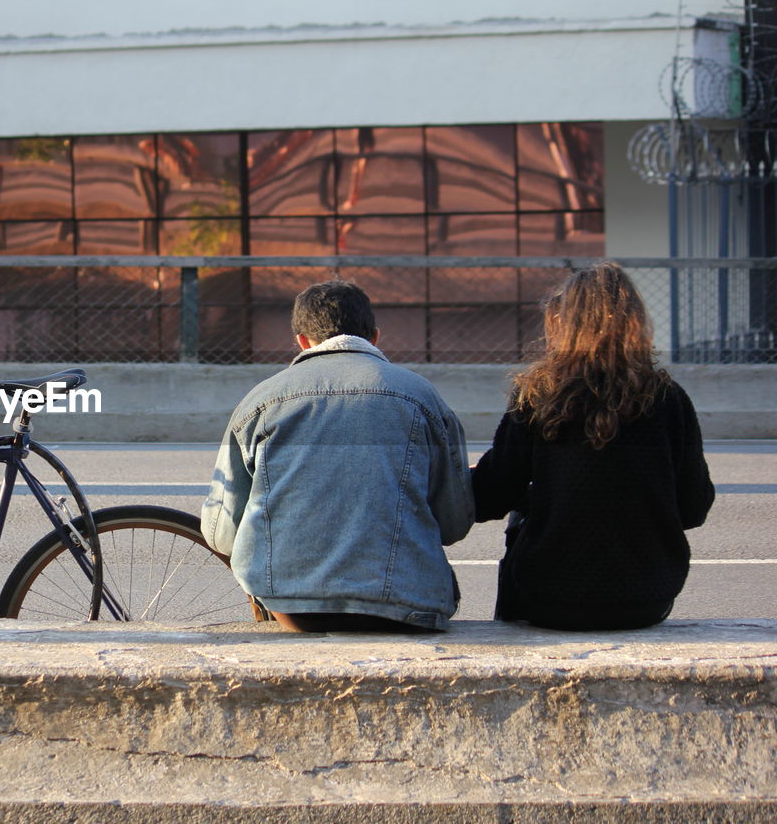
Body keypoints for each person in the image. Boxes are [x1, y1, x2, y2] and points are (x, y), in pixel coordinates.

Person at [201, 280, 475, 633]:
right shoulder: (422, 397)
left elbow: (221, 533)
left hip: (290, 606)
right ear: (374, 336)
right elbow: (455, 523)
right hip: (406, 603)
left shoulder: (260, 400)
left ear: (301, 341)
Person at [471, 262, 715, 631]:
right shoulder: (668, 399)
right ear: (636, 322)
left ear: (561, 323)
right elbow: (693, 508)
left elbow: (492, 495)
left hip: (548, 596)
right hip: (646, 598)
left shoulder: (539, 394)